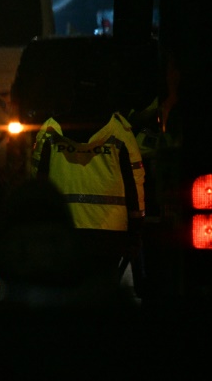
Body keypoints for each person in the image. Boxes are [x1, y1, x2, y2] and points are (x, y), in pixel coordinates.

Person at [29, 74, 146, 297]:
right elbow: (135, 182)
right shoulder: (120, 131)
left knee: (64, 296)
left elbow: (36, 183)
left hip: (63, 232)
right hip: (109, 237)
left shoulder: (50, 131)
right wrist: (136, 229)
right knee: (103, 297)